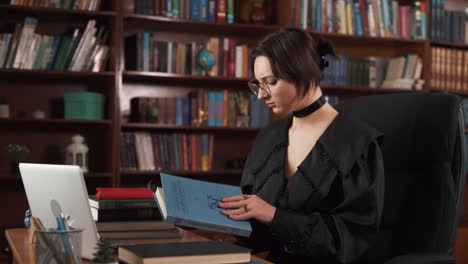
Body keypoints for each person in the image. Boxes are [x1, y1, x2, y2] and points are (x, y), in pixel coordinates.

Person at [218, 28, 385, 264]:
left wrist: (274, 216)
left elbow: (349, 242)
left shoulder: (357, 144)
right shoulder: (268, 138)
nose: (260, 95)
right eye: (258, 84)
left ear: (303, 73)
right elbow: (253, 218)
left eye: (271, 82)